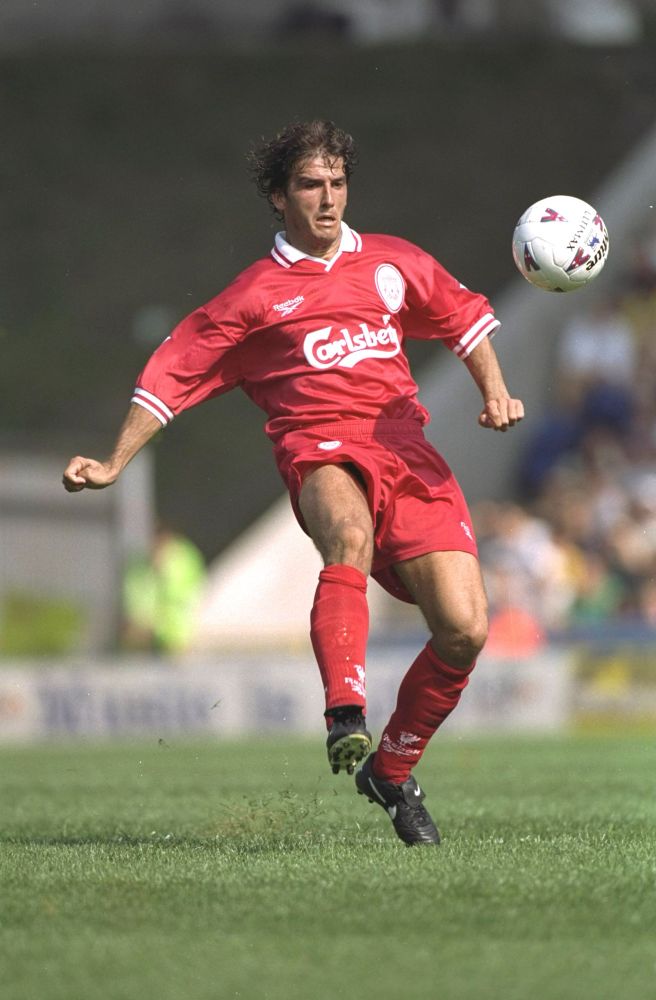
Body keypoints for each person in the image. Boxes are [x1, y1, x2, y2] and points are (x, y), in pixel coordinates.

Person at [63, 120, 524, 846]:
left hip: (407, 448)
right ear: (279, 197)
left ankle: (393, 772)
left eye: (338, 183)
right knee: (346, 535)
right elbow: (171, 374)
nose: (329, 198)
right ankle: (345, 711)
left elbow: (464, 316)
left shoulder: (393, 262)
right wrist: (113, 461)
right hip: (319, 448)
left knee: (464, 630)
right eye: (311, 185)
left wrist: (494, 392)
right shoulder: (253, 297)